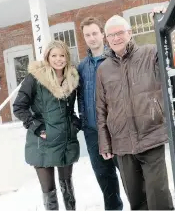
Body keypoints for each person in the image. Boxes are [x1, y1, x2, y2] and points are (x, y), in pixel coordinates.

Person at [95, 13, 174, 210]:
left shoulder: (150, 53)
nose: (116, 38)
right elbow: (101, 108)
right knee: (136, 200)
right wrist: (105, 142)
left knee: (159, 197)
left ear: (130, 33)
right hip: (121, 143)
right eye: (111, 35)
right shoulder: (103, 69)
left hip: (151, 135)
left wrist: (163, 20)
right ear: (106, 39)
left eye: (120, 32)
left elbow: (170, 46)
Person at [13, 40, 81, 210]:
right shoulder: (35, 78)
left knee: (68, 187)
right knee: (49, 192)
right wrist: (37, 127)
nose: (58, 59)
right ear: (47, 57)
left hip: (66, 140)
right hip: (42, 142)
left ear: (67, 57)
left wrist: (75, 123)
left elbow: (70, 109)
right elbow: (19, 107)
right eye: (54, 55)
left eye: (62, 55)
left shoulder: (72, 78)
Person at [77, 17, 123, 210]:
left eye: (95, 33)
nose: (92, 38)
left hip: (117, 129)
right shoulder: (81, 67)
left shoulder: (115, 59)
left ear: (102, 34)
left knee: (129, 176)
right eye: (87, 35)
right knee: (105, 179)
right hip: (93, 132)